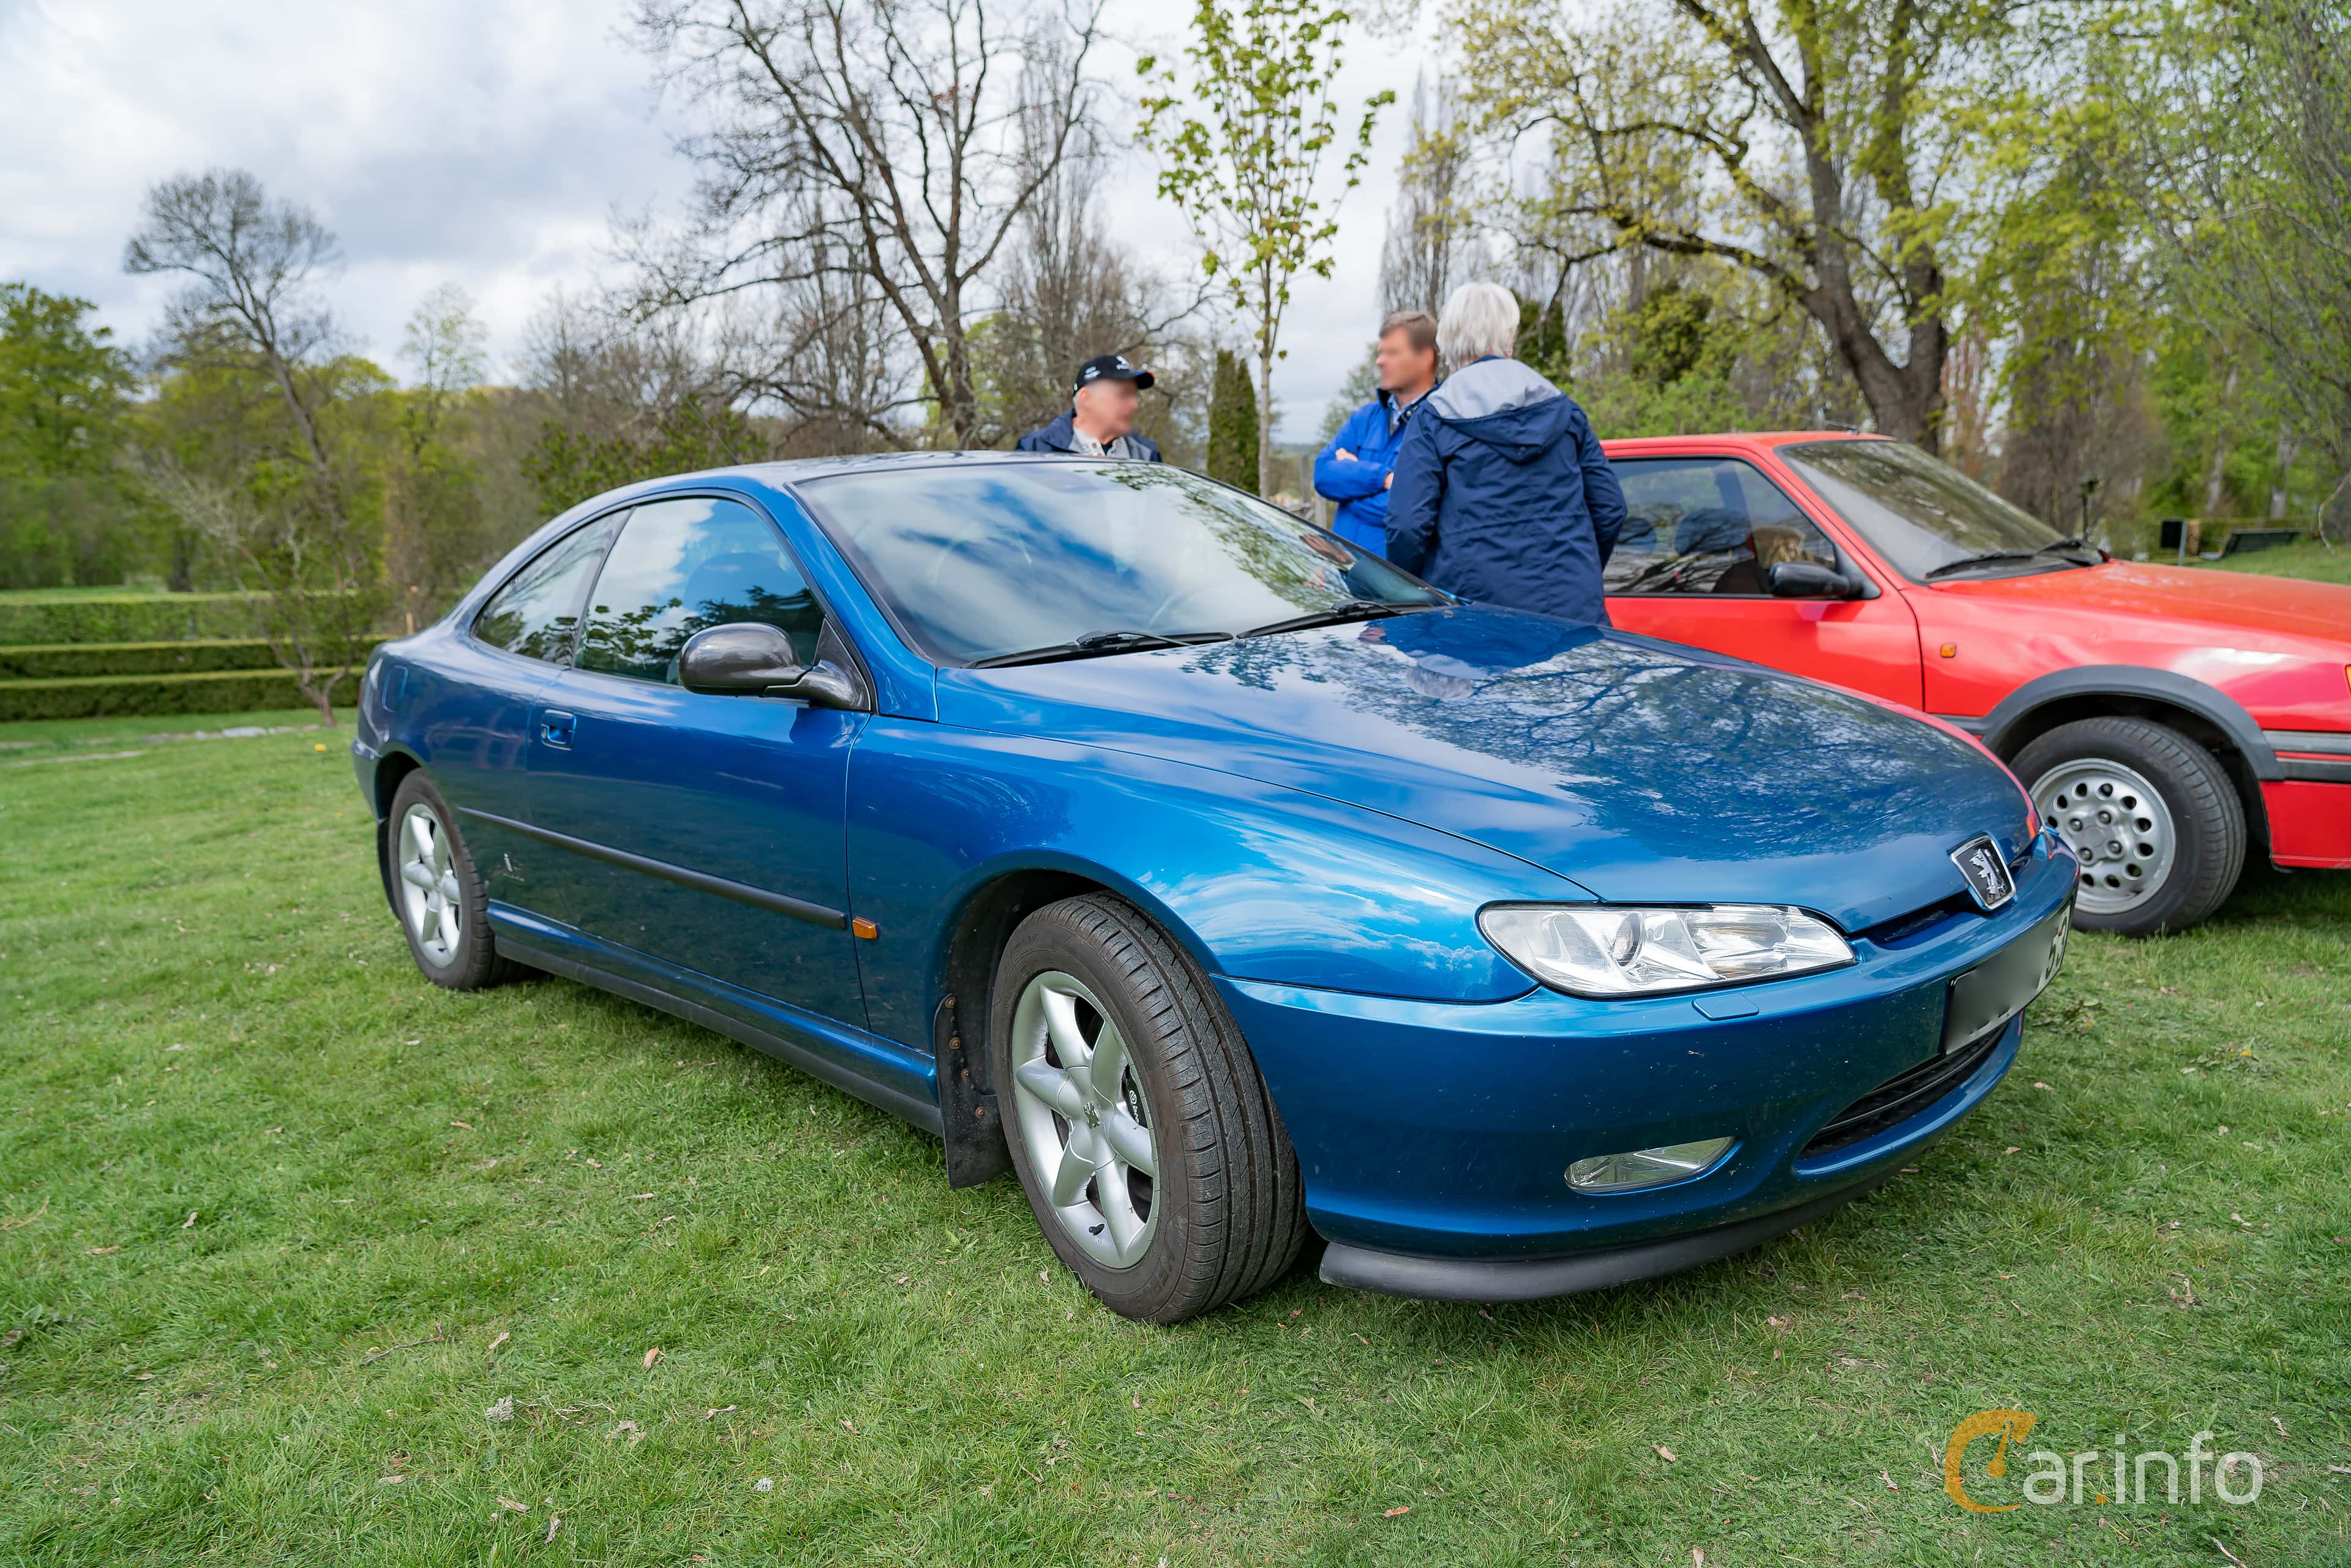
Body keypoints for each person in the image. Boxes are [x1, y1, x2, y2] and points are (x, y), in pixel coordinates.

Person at [1384, 282, 1626, 625]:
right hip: (1573, 615)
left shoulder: (1434, 418)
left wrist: (1409, 592)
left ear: (1447, 340)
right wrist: (1577, 572)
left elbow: (1408, 526)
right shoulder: (1565, 410)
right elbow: (1610, 507)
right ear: (1510, 337)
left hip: (1475, 620)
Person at [1313, 311, 1440, 555]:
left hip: (1394, 577)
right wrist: (1384, 479)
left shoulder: (1442, 423)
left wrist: (1349, 493)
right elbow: (1323, 475)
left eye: (1392, 353)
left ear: (1425, 358)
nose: (1380, 361)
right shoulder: (1365, 418)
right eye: (1380, 353)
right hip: (1341, 570)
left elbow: (1411, 509)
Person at [1015, 354, 1164, 460]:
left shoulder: (1147, 455)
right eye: (1122, 394)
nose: (1134, 405)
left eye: (1134, 395)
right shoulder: (1034, 449)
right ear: (1086, 398)